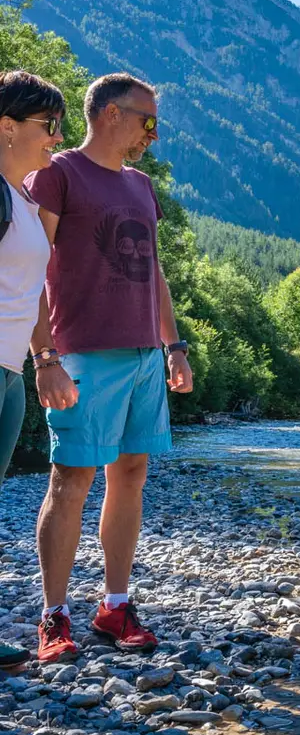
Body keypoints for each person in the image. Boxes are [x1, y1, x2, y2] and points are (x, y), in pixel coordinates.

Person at [26, 73, 193, 664]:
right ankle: (54, 615)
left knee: (132, 474)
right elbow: (29, 269)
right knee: (71, 480)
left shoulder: (142, 186)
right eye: (148, 121)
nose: (154, 133)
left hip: (146, 354)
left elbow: (156, 272)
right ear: (113, 114)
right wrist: (44, 356)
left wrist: (174, 347)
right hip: (83, 354)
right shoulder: (58, 174)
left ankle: (114, 606)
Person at [0, 71, 70, 670]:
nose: (57, 137)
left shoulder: (23, 197)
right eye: (49, 126)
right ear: (7, 126)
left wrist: (43, 358)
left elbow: (31, 292)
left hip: (11, 371)